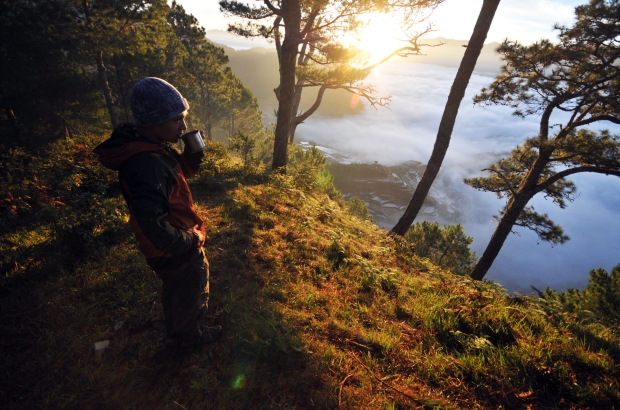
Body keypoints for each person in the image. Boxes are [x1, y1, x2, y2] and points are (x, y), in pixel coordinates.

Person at [94, 77, 221, 348]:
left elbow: (176, 175)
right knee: (189, 288)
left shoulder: (154, 149)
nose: (183, 126)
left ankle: (180, 328)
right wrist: (192, 239)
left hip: (175, 243)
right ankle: (187, 339)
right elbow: (154, 228)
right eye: (177, 120)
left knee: (178, 291)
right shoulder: (146, 165)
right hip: (174, 249)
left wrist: (192, 154)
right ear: (154, 122)